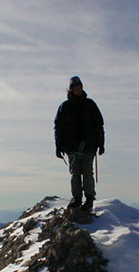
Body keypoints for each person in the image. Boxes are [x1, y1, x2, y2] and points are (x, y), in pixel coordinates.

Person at [54, 76, 105, 212]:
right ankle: (77, 199)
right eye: (76, 88)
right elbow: (58, 127)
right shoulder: (65, 107)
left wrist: (101, 143)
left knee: (87, 173)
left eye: (80, 88)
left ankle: (88, 199)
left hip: (88, 146)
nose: (79, 90)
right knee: (75, 174)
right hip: (72, 147)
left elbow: (99, 124)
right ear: (71, 90)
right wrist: (58, 146)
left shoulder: (90, 104)